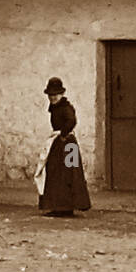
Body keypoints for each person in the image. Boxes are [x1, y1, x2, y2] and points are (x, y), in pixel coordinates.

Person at [35, 77, 92, 217]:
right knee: (57, 173)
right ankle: (60, 207)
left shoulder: (66, 108)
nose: (52, 97)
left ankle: (68, 206)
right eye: (50, 95)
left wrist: (63, 134)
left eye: (55, 95)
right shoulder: (56, 108)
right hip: (63, 143)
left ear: (61, 94)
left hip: (67, 144)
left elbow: (72, 121)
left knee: (69, 172)